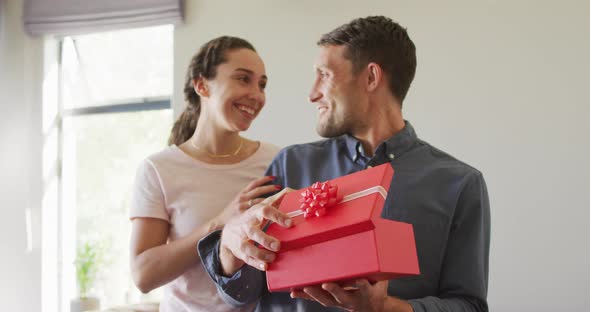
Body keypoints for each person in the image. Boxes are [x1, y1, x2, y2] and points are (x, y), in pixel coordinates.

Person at [198, 16, 491, 312]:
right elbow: (240, 293)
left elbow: (470, 306)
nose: (312, 94)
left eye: (324, 75)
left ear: (371, 77)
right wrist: (228, 246)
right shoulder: (290, 164)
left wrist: (387, 308)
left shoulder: (459, 184)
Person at [129, 36, 281, 312]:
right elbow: (144, 275)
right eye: (243, 79)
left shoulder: (275, 160)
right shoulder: (158, 169)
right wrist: (220, 222)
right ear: (202, 85)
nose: (257, 95)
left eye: (262, 84)